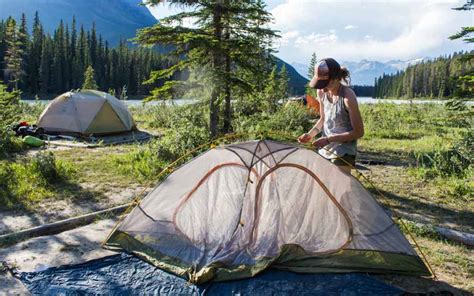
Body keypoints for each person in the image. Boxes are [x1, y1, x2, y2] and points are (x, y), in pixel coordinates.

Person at [298, 58, 364, 173]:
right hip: (326, 148)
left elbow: (358, 132)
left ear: (336, 79)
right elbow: (323, 119)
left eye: (325, 84)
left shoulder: (348, 97)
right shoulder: (321, 92)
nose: (322, 88)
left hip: (344, 150)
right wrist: (310, 135)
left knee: (336, 186)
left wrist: (329, 139)